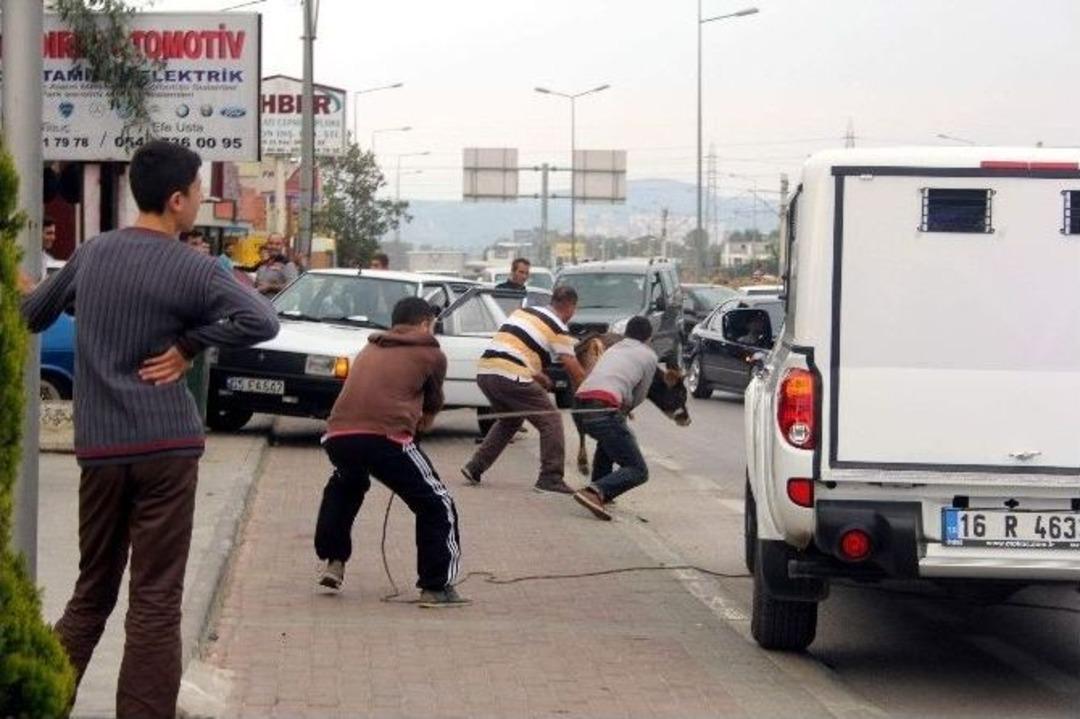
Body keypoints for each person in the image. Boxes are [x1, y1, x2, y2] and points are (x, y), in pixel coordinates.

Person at [20, 140, 279, 718]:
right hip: (166, 448)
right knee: (156, 602)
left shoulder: (94, 254)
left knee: (92, 592)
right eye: (198, 192)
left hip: (102, 451)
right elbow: (262, 319)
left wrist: (30, 285)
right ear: (177, 199)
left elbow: (33, 314)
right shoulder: (194, 268)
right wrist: (189, 344)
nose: (200, 203)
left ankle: (45, 703)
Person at [314, 296, 467, 607]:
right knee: (437, 504)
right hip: (386, 438)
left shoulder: (369, 348)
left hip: (338, 436)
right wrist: (422, 423)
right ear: (425, 323)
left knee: (346, 486)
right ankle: (436, 586)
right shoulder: (431, 352)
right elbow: (432, 402)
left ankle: (334, 559)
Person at [461, 285, 587, 493]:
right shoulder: (557, 327)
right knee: (551, 420)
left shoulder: (523, 313)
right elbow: (572, 366)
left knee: (511, 419)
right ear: (570, 306)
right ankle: (551, 477)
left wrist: (537, 374)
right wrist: (591, 390)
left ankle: (475, 467)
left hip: (486, 372)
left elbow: (514, 348)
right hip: (510, 375)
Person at [570, 316, 658, 520]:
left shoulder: (614, 349)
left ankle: (601, 490)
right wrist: (625, 409)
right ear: (649, 337)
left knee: (608, 441)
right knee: (638, 470)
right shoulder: (649, 355)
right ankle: (594, 492)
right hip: (603, 409)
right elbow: (639, 395)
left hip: (579, 407)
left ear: (626, 333)